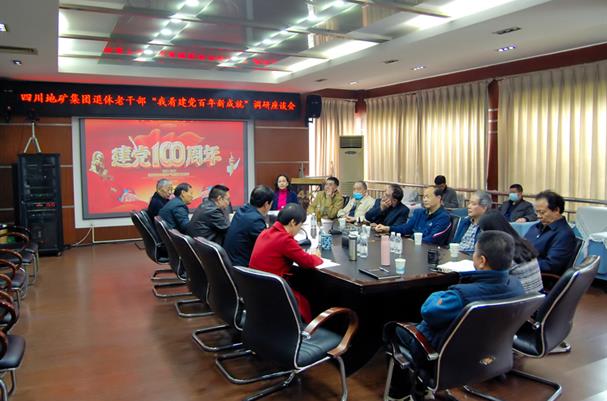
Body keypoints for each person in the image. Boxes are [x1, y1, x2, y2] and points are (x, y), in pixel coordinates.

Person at [385, 231, 524, 401]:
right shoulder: (517, 287)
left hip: (443, 358)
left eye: (474, 253)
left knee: (392, 329)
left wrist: (440, 293)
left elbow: (428, 312)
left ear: (482, 261)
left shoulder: (461, 296)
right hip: (491, 355)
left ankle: (401, 392)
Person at [249, 203, 323, 322]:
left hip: (256, 290)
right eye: (300, 225)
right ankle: (304, 330)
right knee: (305, 301)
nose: (299, 229)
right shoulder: (284, 239)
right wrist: (317, 257)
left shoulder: (265, 232)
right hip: (274, 292)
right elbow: (307, 262)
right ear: (293, 222)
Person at [478, 210, 543, 293]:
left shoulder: (502, 252)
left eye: (482, 230)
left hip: (519, 297)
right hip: (538, 295)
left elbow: (489, 280)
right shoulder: (523, 242)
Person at [524, 190, 576, 275]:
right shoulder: (536, 227)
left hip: (538, 276)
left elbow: (550, 266)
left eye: (542, 212)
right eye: (537, 212)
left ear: (556, 210)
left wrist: (523, 264)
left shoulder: (564, 235)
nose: (538, 216)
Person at [224, 185, 274, 267]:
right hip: (241, 267)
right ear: (266, 204)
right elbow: (268, 246)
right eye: (271, 204)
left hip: (230, 261)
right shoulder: (256, 220)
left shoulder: (242, 210)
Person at [386, 187, 450, 245]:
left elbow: (432, 238)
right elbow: (407, 227)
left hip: (429, 249)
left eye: (428, 197)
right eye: (424, 197)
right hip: (414, 246)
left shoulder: (444, 217)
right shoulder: (419, 212)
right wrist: (389, 228)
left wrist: (413, 242)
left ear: (438, 198)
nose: (425, 200)